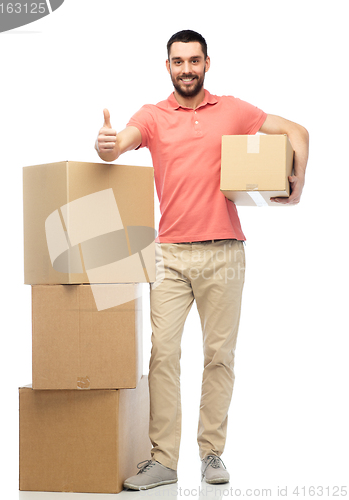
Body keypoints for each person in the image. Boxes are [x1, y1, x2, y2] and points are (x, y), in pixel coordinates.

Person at [95, 30, 309, 490]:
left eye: (194, 61)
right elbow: (118, 144)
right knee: (164, 355)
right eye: (178, 61)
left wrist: (298, 181)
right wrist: (106, 145)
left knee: (219, 356)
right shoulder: (152, 117)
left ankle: (212, 454)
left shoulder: (232, 110)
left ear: (207, 64)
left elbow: (297, 131)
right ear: (167, 66)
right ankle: (163, 461)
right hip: (169, 254)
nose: (186, 69)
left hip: (225, 251)